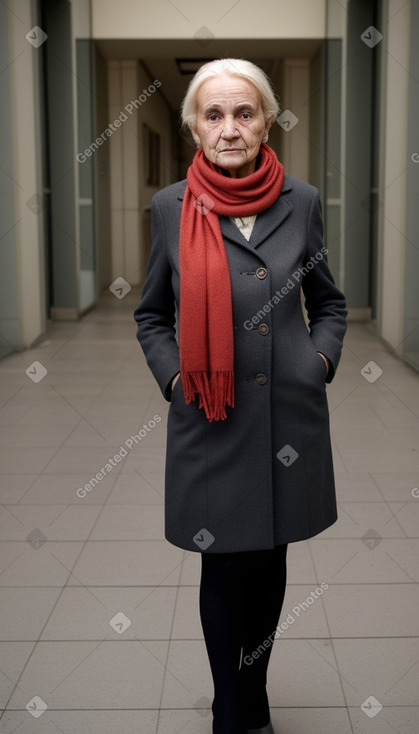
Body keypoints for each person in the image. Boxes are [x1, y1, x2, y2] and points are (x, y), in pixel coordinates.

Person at [134, 58, 347, 734]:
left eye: (244, 112)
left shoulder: (303, 201)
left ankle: (253, 694)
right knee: (222, 563)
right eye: (214, 114)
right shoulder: (170, 208)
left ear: (266, 121)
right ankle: (233, 707)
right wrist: (175, 379)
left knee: (270, 560)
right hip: (210, 415)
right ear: (194, 126)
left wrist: (317, 361)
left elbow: (329, 303)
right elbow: (150, 314)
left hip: (287, 416)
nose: (230, 128)